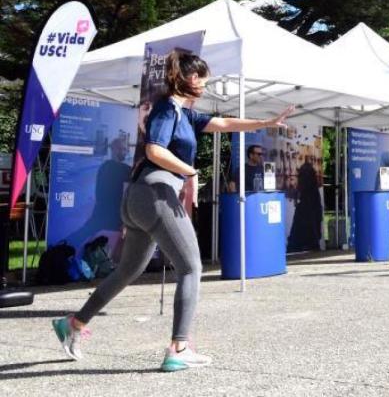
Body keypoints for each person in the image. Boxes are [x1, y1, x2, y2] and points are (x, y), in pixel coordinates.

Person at [51, 51, 293, 371]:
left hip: (139, 198)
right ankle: (178, 348)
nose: (205, 87)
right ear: (191, 79)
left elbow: (223, 122)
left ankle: (73, 324)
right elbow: (154, 149)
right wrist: (190, 172)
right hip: (155, 193)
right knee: (191, 268)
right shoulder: (167, 108)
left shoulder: (185, 114)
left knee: (127, 271)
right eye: (203, 81)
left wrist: (265, 122)